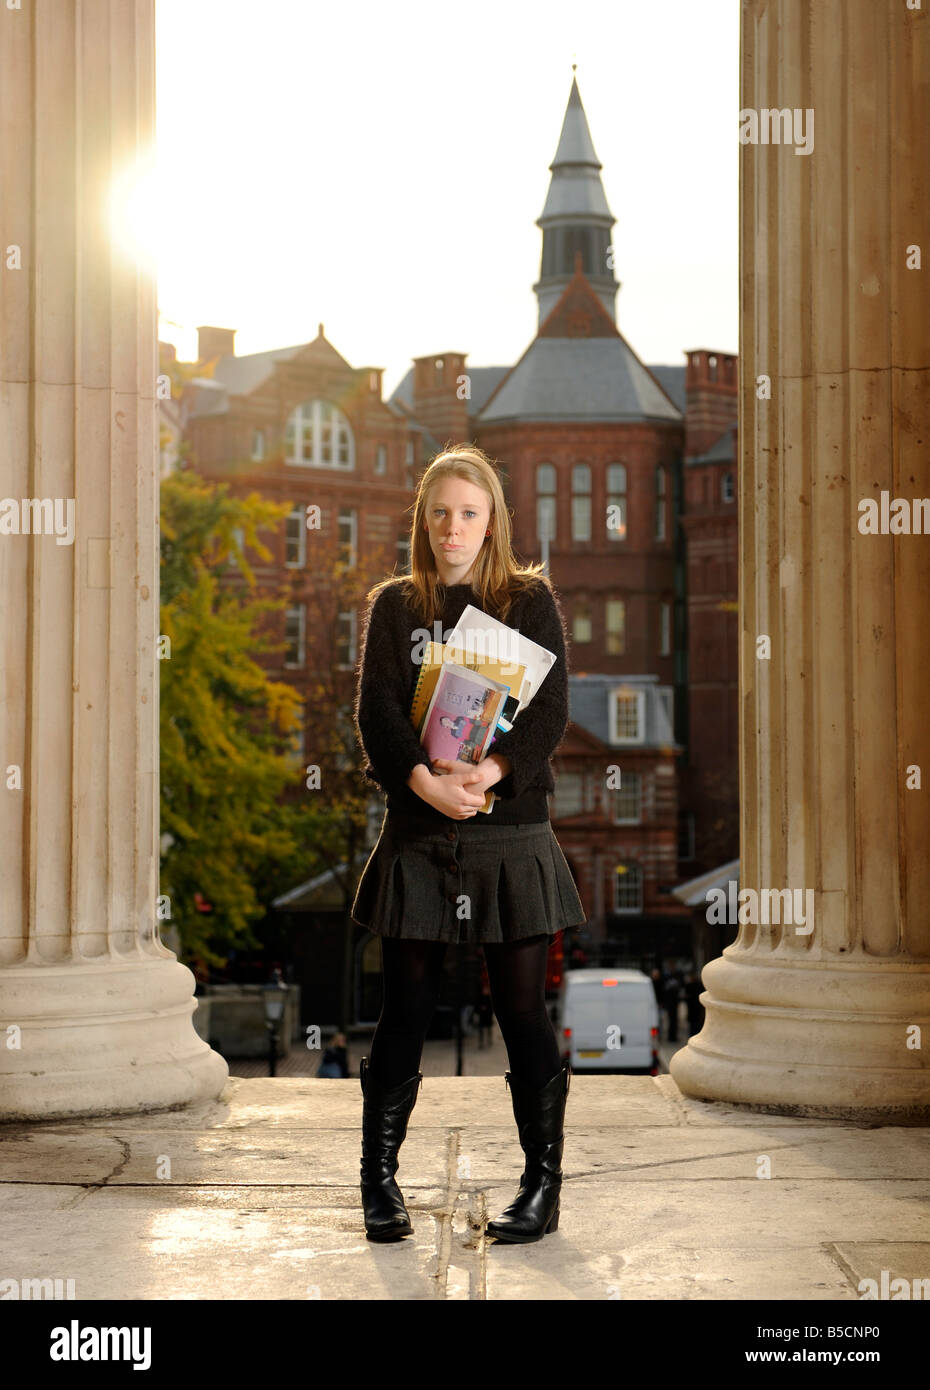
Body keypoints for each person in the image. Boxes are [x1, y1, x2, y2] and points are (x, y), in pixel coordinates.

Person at [351, 443, 587, 1245]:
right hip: (419, 831)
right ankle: (379, 1183)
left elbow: (551, 713)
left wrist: (487, 773)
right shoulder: (394, 606)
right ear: (425, 520)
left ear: (492, 524)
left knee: (521, 1007)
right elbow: (378, 713)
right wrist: (424, 782)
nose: (454, 528)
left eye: (471, 514)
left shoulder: (528, 601)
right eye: (442, 513)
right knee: (406, 1008)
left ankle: (542, 1185)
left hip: (510, 830)